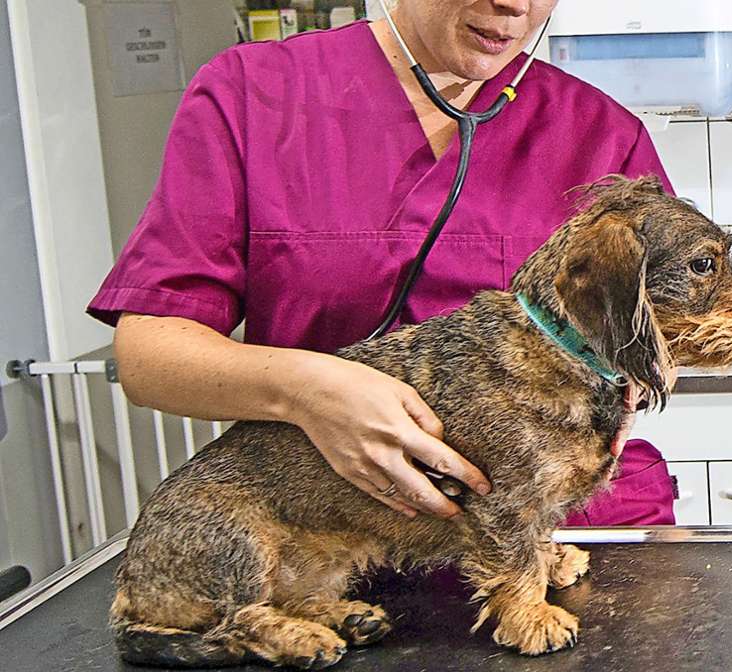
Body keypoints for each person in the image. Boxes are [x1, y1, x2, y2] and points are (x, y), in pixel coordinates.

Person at [87, 0, 677, 526]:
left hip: (559, 526)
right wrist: (304, 390)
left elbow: (677, 318)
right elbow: (149, 356)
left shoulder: (600, 134)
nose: (513, 5)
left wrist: (648, 360)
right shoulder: (253, 94)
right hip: (333, 535)